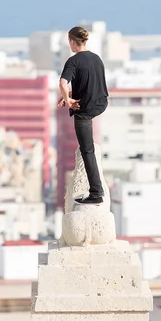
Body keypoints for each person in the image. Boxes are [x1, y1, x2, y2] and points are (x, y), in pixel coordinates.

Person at [58, 26, 109, 204]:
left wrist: (68, 98)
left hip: (85, 110)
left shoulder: (73, 61)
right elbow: (90, 84)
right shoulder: (96, 58)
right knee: (89, 146)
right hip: (101, 104)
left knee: (87, 150)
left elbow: (62, 83)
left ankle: (96, 192)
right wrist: (68, 96)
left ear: (73, 41)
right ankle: (96, 189)